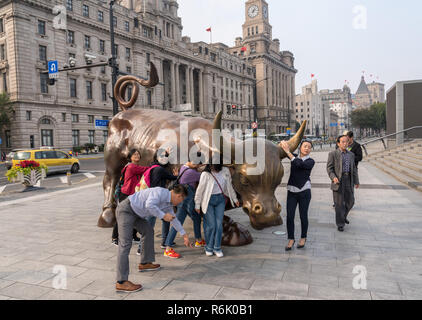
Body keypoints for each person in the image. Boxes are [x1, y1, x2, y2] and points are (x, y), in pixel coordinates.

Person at [115, 185, 192, 292]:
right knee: (125, 244)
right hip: (126, 210)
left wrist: (184, 235)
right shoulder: (160, 192)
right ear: (179, 196)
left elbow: (174, 219)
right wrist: (163, 216)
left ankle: (145, 263)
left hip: (137, 214)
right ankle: (121, 282)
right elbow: (149, 205)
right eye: (181, 200)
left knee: (148, 230)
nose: (180, 203)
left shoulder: (168, 204)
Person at [194, 163, 239, 258]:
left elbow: (229, 186)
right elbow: (200, 190)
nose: (213, 169)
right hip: (208, 200)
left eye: (215, 167)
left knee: (219, 225)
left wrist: (235, 199)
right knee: (211, 225)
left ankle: (217, 247)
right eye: (212, 167)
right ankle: (209, 247)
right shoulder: (205, 174)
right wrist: (197, 204)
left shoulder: (225, 171)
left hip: (220, 200)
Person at [163, 162, 206, 258]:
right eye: (196, 164)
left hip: (182, 198)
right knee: (195, 217)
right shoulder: (191, 172)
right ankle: (198, 240)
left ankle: (168, 247)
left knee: (179, 221)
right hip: (188, 199)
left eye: (198, 165)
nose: (197, 166)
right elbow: (204, 176)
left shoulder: (183, 167)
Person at [280, 140, 315, 251]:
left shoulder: (310, 161)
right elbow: (283, 152)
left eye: (309, 147)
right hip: (292, 191)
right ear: (300, 147)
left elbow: (299, 164)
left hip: (304, 191)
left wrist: (289, 153)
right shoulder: (293, 156)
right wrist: (283, 143)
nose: (307, 148)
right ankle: (291, 239)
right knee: (290, 216)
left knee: (303, 216)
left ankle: (303, 238)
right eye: (305, 146)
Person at [112, 149, 149, 246]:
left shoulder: (135, 166)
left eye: (138, 154)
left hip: (133, 195)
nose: (137, 155)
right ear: (130, 157)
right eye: (134, 154)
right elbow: (146, 169)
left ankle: (133, 235)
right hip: (126, 195)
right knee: (122, 216)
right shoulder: (131, 167)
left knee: (134, 215)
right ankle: (115, 237)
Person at [327, 135, 360, 232]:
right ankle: (340, 224)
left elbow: (354, 169)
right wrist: (334, 177)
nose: (345, 143)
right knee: (339, 204)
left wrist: (356, 181)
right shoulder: (333, 154)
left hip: (348, 180)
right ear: (338, 143)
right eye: (343, 142)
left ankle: (343, 216)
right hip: (338, 181)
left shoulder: (351, 155)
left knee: (351, 201)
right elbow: (329, 168)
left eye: (347, 142)